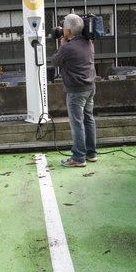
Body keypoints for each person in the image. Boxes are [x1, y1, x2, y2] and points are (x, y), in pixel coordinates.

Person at [51, 14, 97, 167]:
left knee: (77, 123)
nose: (62, 29)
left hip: (76, 91)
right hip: (90, 87)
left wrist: (62, 45)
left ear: (69, 31)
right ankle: (91, 153)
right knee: (88, 119)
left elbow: (55, 61)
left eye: (64, 27)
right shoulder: (88, 42)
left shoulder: (68, 48)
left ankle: (78, 158)